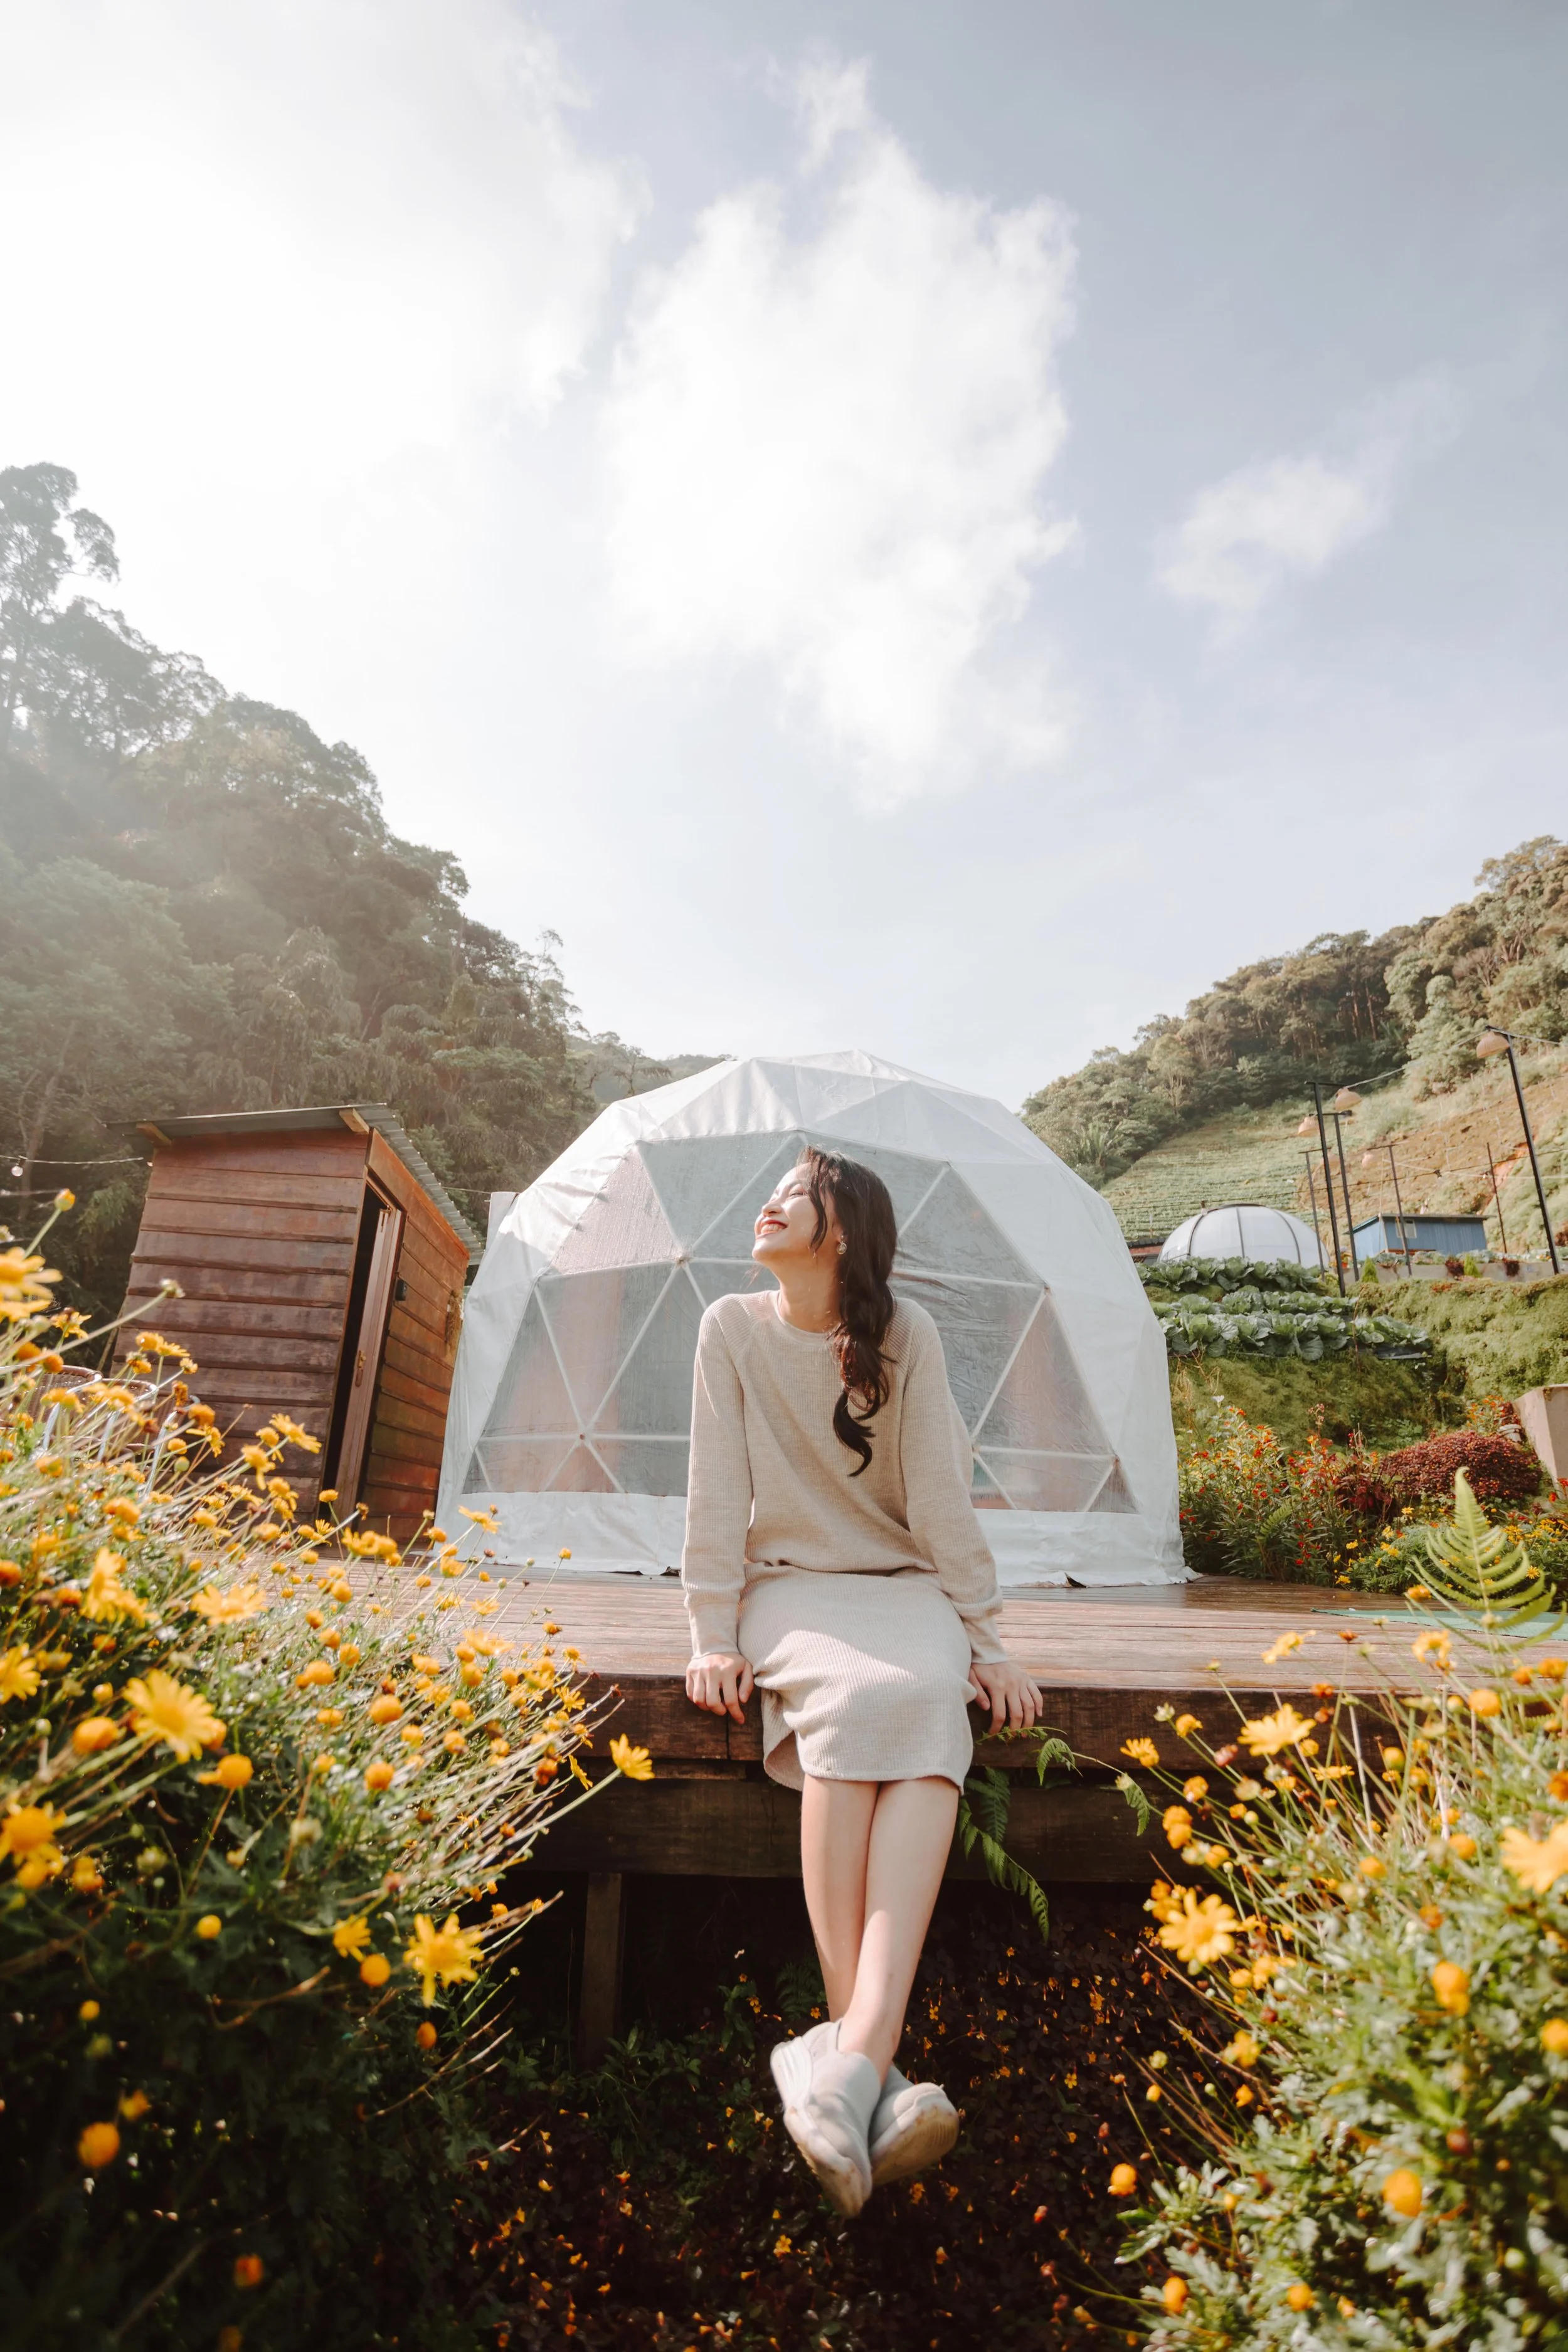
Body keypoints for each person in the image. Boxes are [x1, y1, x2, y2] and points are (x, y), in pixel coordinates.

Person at [682, 1146, 1042, 2216]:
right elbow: (713, 1494)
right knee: (851, 1698)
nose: (770, 1202)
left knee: (927, 1697)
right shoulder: (729, 1331)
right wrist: (711, 1630)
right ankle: (870, 2068)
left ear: (841, 1230)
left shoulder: (907, 1337)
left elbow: (938, 1498)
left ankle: (836, 2063)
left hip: (901, 1586)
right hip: (791, 1589)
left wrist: (985, 1636)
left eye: (796, 1194)